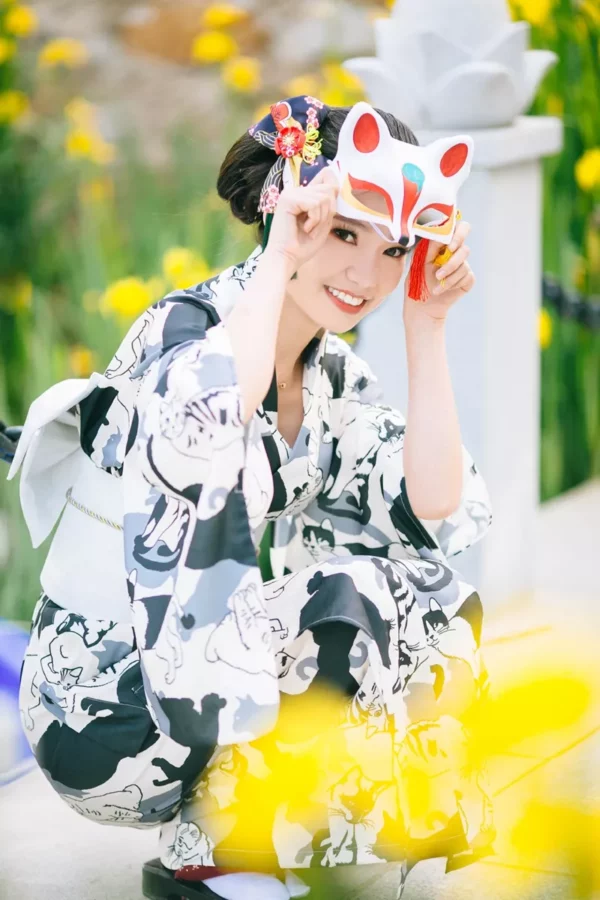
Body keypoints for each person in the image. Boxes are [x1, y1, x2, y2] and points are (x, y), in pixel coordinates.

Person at [6, 95, 494, 900]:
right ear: (289, 213)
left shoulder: (330, 375)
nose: (364, 275)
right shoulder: (185, 332)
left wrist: (427, 323)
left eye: (393, 249)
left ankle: (279, 831)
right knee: (350, 596)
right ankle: (216, 853)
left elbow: (433, 500)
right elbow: (215, 419)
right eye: (342, 233)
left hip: (201, 686)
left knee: (435, 599)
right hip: (103, 701)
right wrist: (278, 258)